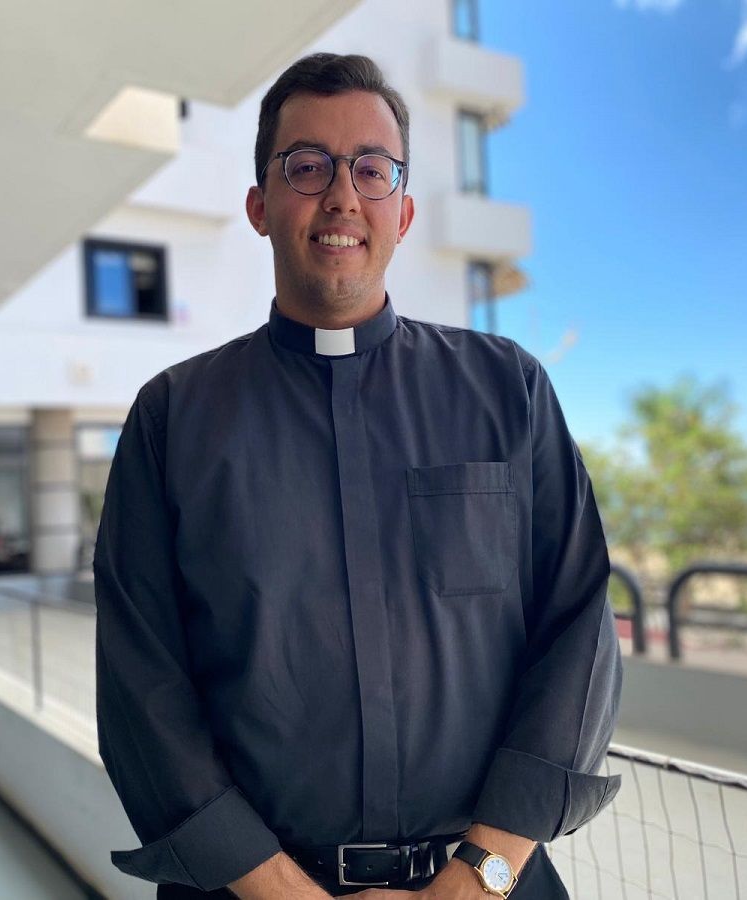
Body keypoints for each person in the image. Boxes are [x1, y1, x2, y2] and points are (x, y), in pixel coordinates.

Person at [94, 53, 622, 900]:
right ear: (260, 206)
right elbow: (141, 686)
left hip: (487, 884)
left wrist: (479, 874)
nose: (342, 194)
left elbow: (579, 632)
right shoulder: (172, 419)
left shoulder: (507, 389)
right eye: (308, 166)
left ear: (403, 212)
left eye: (371, 169)